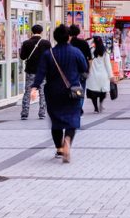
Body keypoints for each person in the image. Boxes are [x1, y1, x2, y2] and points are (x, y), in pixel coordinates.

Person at [31, 25, 88, 163]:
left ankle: (59, 149)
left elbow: (41, 73)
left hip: (53, 92)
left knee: (56, 122)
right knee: (72, 119)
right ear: (69, 37)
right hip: (72, 92)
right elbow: (84, 68)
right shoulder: (76, 52)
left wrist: (34, 87)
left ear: (55, 38)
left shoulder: (48, 54)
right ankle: (68, 140)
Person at [19, 24, 50, 121]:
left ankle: (24, 113)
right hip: (43, 72)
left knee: (28, 91)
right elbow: (50, 57)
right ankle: (42, 113)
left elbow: (23, 57)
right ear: (41, 32)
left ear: (32, 31)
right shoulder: (46, 43)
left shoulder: (26, 43)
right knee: (43, 92)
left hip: (30, 71)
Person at [86, 36, 112, 112]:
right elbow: (108, 65)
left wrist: (91, 40)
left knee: (93, 92)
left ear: (94, 42)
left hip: (93, 75)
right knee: (102, 91)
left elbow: (88, 62)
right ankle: (101, 103)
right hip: (103, 75)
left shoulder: (91, 51)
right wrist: (111, 75)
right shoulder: (105, 52)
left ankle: (96, 108)